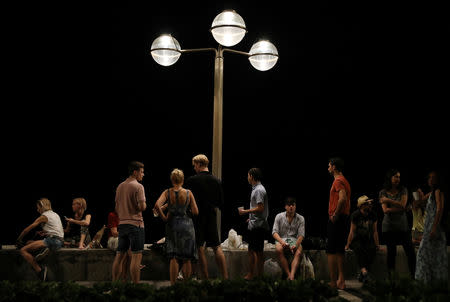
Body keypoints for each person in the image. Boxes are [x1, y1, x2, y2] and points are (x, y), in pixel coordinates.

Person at [184, 154, 228, 280]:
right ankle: (225, 277)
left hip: (196, 218)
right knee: (216, 247)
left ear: (198, 164)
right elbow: (221, 203)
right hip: (211, 217)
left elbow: (187, 202)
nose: (194, 168)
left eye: (194, 166)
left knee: (199, 248)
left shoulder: (191, 181)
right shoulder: (217, 181)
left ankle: (205, 278)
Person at [154, 169, 199, 285]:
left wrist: (164, 217)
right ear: (182, 180)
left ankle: (173, 285)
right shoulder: (189, 193)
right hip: (187, 226)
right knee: (187, 257)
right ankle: (186, 285)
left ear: (172, 180)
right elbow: (195, 212)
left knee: (173, 256)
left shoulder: (167, 192)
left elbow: (157, 205)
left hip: (172, 225)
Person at [111, 161, 147, 284]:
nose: (143, 174)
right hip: (136, 225)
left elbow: (116, 208)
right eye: (142, 172)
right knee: (136, 257)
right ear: (135, 172)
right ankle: (135, 287)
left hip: (122, 225)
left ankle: (115, 285)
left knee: (119, 255)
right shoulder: (138, 186)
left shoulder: (120, 186)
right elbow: (142, 207)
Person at [16, 198, 64, 281]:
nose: (37, 210)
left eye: (38, 207)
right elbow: (57, 230)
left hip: (53, 241)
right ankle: (43, 250)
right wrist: (45, 232)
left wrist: (19, 239)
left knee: (23, 250)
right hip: (59, 242)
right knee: (29, 242)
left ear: (42, 207)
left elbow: (27, 229)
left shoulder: (44, 216)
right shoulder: (55, 214)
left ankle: (40, 271)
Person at [379, 168, 416, 277]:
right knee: (391, 254)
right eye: (395, 176)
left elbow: (403, 205)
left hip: (402, 227)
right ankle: (392, 280)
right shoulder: (383, 192)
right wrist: (400, 207)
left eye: (399, 177)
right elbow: (385, 210)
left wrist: (389, 201)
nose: (398, 179)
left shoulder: (403, 190)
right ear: (390, 178)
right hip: (389, 227)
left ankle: (414, 278)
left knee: (410, 253)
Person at [415, 171, 448, 283]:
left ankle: (425, 281)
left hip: (434, 228)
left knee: (425, 254)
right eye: (429, 177)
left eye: (433, 178)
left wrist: (434, 227)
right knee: (431, 255)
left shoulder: (438, 191)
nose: (430, 179)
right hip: (429, 228)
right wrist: (419, 195)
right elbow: (421, 201)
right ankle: (429, 281)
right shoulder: (432, 193)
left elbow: (440, 208)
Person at [238, 167, 269, 280]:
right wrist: (250, 217)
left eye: (248, 175)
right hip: (256, 223)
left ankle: (252, 274)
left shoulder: (259, 190)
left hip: (258, 226)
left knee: (254, 251)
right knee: (256, 250)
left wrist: (245, 212)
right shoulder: (256, 189)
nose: (247, 178)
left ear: (252, 176)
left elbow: (260, 208)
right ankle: (258, 275)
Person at [326, 157, 351, 290]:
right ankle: (341, 280)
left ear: (334, 167)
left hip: (338, 218)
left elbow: (342, 199)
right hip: (344, 218)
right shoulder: (345, 181)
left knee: (331, 250)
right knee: (340, 250)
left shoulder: (338, 181)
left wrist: (335, 214)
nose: (328, 168)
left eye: (329, 166)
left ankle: (333, 282)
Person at [345, 195, 380, 283]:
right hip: (357, 239)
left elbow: (375, 231)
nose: (370, 205)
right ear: (362, 205)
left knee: (372, 249)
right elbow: (352, 231)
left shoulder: (373, 214)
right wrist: (348, 244)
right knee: (359, 248)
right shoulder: (356, 215)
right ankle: (364, 272)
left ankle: (363, 273)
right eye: (368, 204)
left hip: (368, 239)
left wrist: (377, 244)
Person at [272, 197, 305, 280]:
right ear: (285, 207)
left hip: (294, 240)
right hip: (282, 239)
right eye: (289, 205)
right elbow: (274, 232)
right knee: (279, 249)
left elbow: (301, 235)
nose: (291, 207)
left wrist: (296, 245)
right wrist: (282, 242)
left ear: (295, 206)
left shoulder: (300, 218)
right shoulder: (279, 216)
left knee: (298, 253)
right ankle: (288, 273)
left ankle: (292, 276)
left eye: (293, 205)